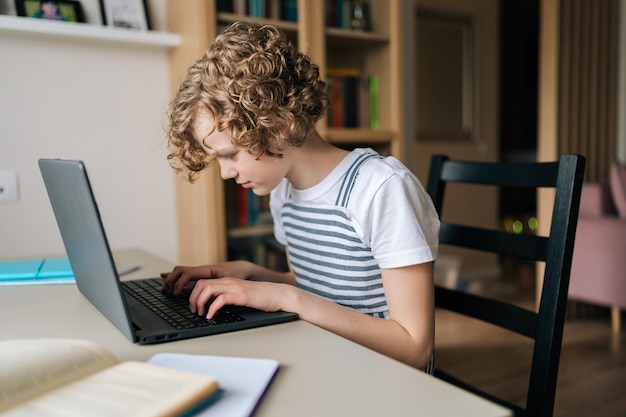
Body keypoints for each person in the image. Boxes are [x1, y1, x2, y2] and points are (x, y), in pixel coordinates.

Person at [162, 22, 440, 371]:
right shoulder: (284, 192)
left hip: (382, 379)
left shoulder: (380, 188)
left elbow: (414, 348)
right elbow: (315, 286)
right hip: (325, 361)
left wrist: (285, 297)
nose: (226, 173)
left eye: (230, 154)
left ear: (279, 124)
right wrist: (249, 274)